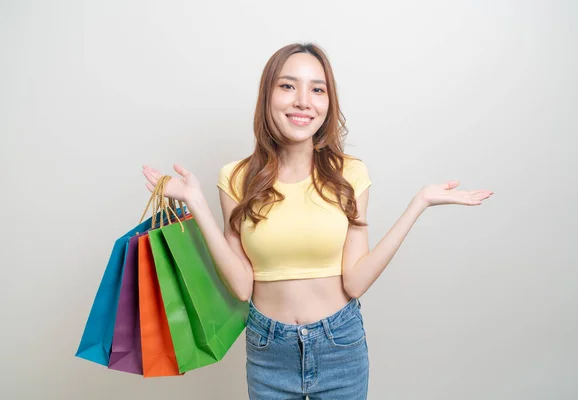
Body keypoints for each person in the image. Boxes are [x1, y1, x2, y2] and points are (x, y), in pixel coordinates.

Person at [142, 43, 493, 400]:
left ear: (328, 102)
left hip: (339, 344)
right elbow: (242, 286)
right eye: (288, 86)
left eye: (317, 89)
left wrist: (419, 203)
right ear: (268, 96)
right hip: (268, 349)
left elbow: (355, 281)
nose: (303, 101)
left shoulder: (350, 174)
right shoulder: (235, 177)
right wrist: (197, 204)